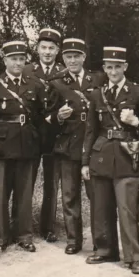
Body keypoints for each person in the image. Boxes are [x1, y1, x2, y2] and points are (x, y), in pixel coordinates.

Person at [81, 46, 139, 275]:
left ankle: (134, 256)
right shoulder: (97, 94)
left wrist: (136, 122)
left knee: (127, 209)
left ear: (125, 67)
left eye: (117, 67)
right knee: (101, 207)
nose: (113, 71)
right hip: (101, 156)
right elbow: (90, 131)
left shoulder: (138, 92)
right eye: (109, 67)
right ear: (104, 69)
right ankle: (105, 250)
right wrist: (85, 162)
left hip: (127, 156)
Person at [0, 41, 48, 253]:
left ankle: (24, 235)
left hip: (26, 146)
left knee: (24, 194)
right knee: (0, 194)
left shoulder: (34, 85)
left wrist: (38, 143)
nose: (17, 63)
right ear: (5, 60)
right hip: (0, 148)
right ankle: (0, 238)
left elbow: (39, 118)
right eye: (13, 59)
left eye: (21, 59)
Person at [46, 38, 105, 255]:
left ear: (83, 57)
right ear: (63, 58)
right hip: (68, 146)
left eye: (76, 56)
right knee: (70, 196)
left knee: (96, 195)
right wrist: (58, 117)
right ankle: (74, 240)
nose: (72, 60)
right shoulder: (56, 83)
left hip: (94, 147)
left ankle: (100, 240)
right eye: (68, 56)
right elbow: (47, 117)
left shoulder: (99, 78)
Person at [23, 28, 65, 243]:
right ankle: (23, 226)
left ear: (58, 50)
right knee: (27, 181)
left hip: (55, 135)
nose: (47, 52)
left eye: (51, 48)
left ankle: (47, 227)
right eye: (43, 48)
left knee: (52, 182)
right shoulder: (27, 70)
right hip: (32, 133)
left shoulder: (64, 71)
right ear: (37, 48)